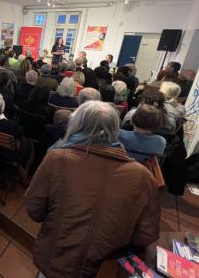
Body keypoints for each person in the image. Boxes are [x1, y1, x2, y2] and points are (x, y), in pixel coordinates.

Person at [25, 101, 160, 277]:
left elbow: (34, 210)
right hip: (104, 267)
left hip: (57, 259)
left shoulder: (56, 159)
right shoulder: (143, 176)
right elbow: (145, 235)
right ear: (115, 130)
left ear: (76, 125)